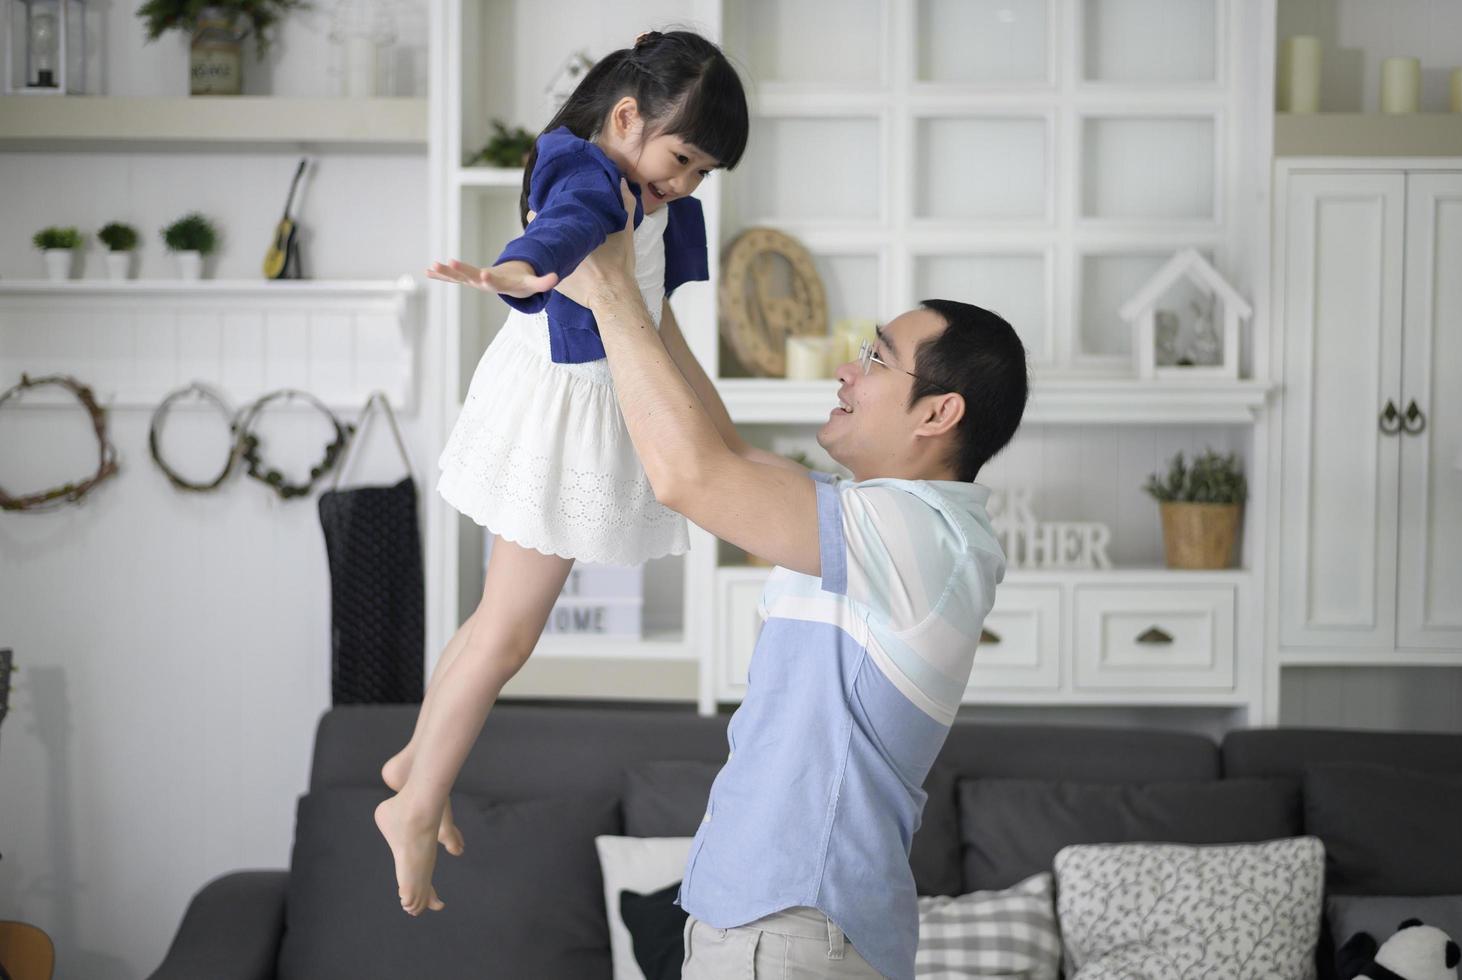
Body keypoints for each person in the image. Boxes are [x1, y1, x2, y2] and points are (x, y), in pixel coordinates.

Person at [435, 181, 1029, 979]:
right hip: (761, 922)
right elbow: (723, 447)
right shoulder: (872, 517)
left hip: (792, 930)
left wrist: (610, 294)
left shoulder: (928, 535)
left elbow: (691, 476)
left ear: (937, 414)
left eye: (876, 358)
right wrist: (643, 281)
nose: (849, 373)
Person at [381, 30, 748, 916]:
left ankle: (414, 759)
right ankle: (417, 802)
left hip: (572, 406)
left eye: (703, 172)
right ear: (626, 117)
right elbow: (552, 241)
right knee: (509, 634)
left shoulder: (655, 201)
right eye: (682, 157)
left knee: (493, 620)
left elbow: (660, 334)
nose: (687, 183)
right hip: (559, 413)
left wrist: (724, 438)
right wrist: (503, 273)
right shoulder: (589, 177)